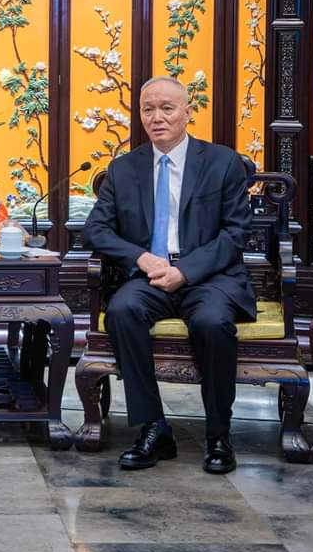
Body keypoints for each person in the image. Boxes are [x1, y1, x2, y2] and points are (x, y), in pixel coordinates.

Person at [83, 76, 255, 475]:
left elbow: (235, 233)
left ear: (187, 112)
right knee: (122, 311)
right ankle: (154, 428)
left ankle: (219, 434)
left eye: (167, 108)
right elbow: (96, 229)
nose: (157, 117)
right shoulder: (124, 168)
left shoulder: (222, 162)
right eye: (148, 109)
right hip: (150, 276)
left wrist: (186, 271)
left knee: (212, 322)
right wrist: (141, 258)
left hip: (209, 277)